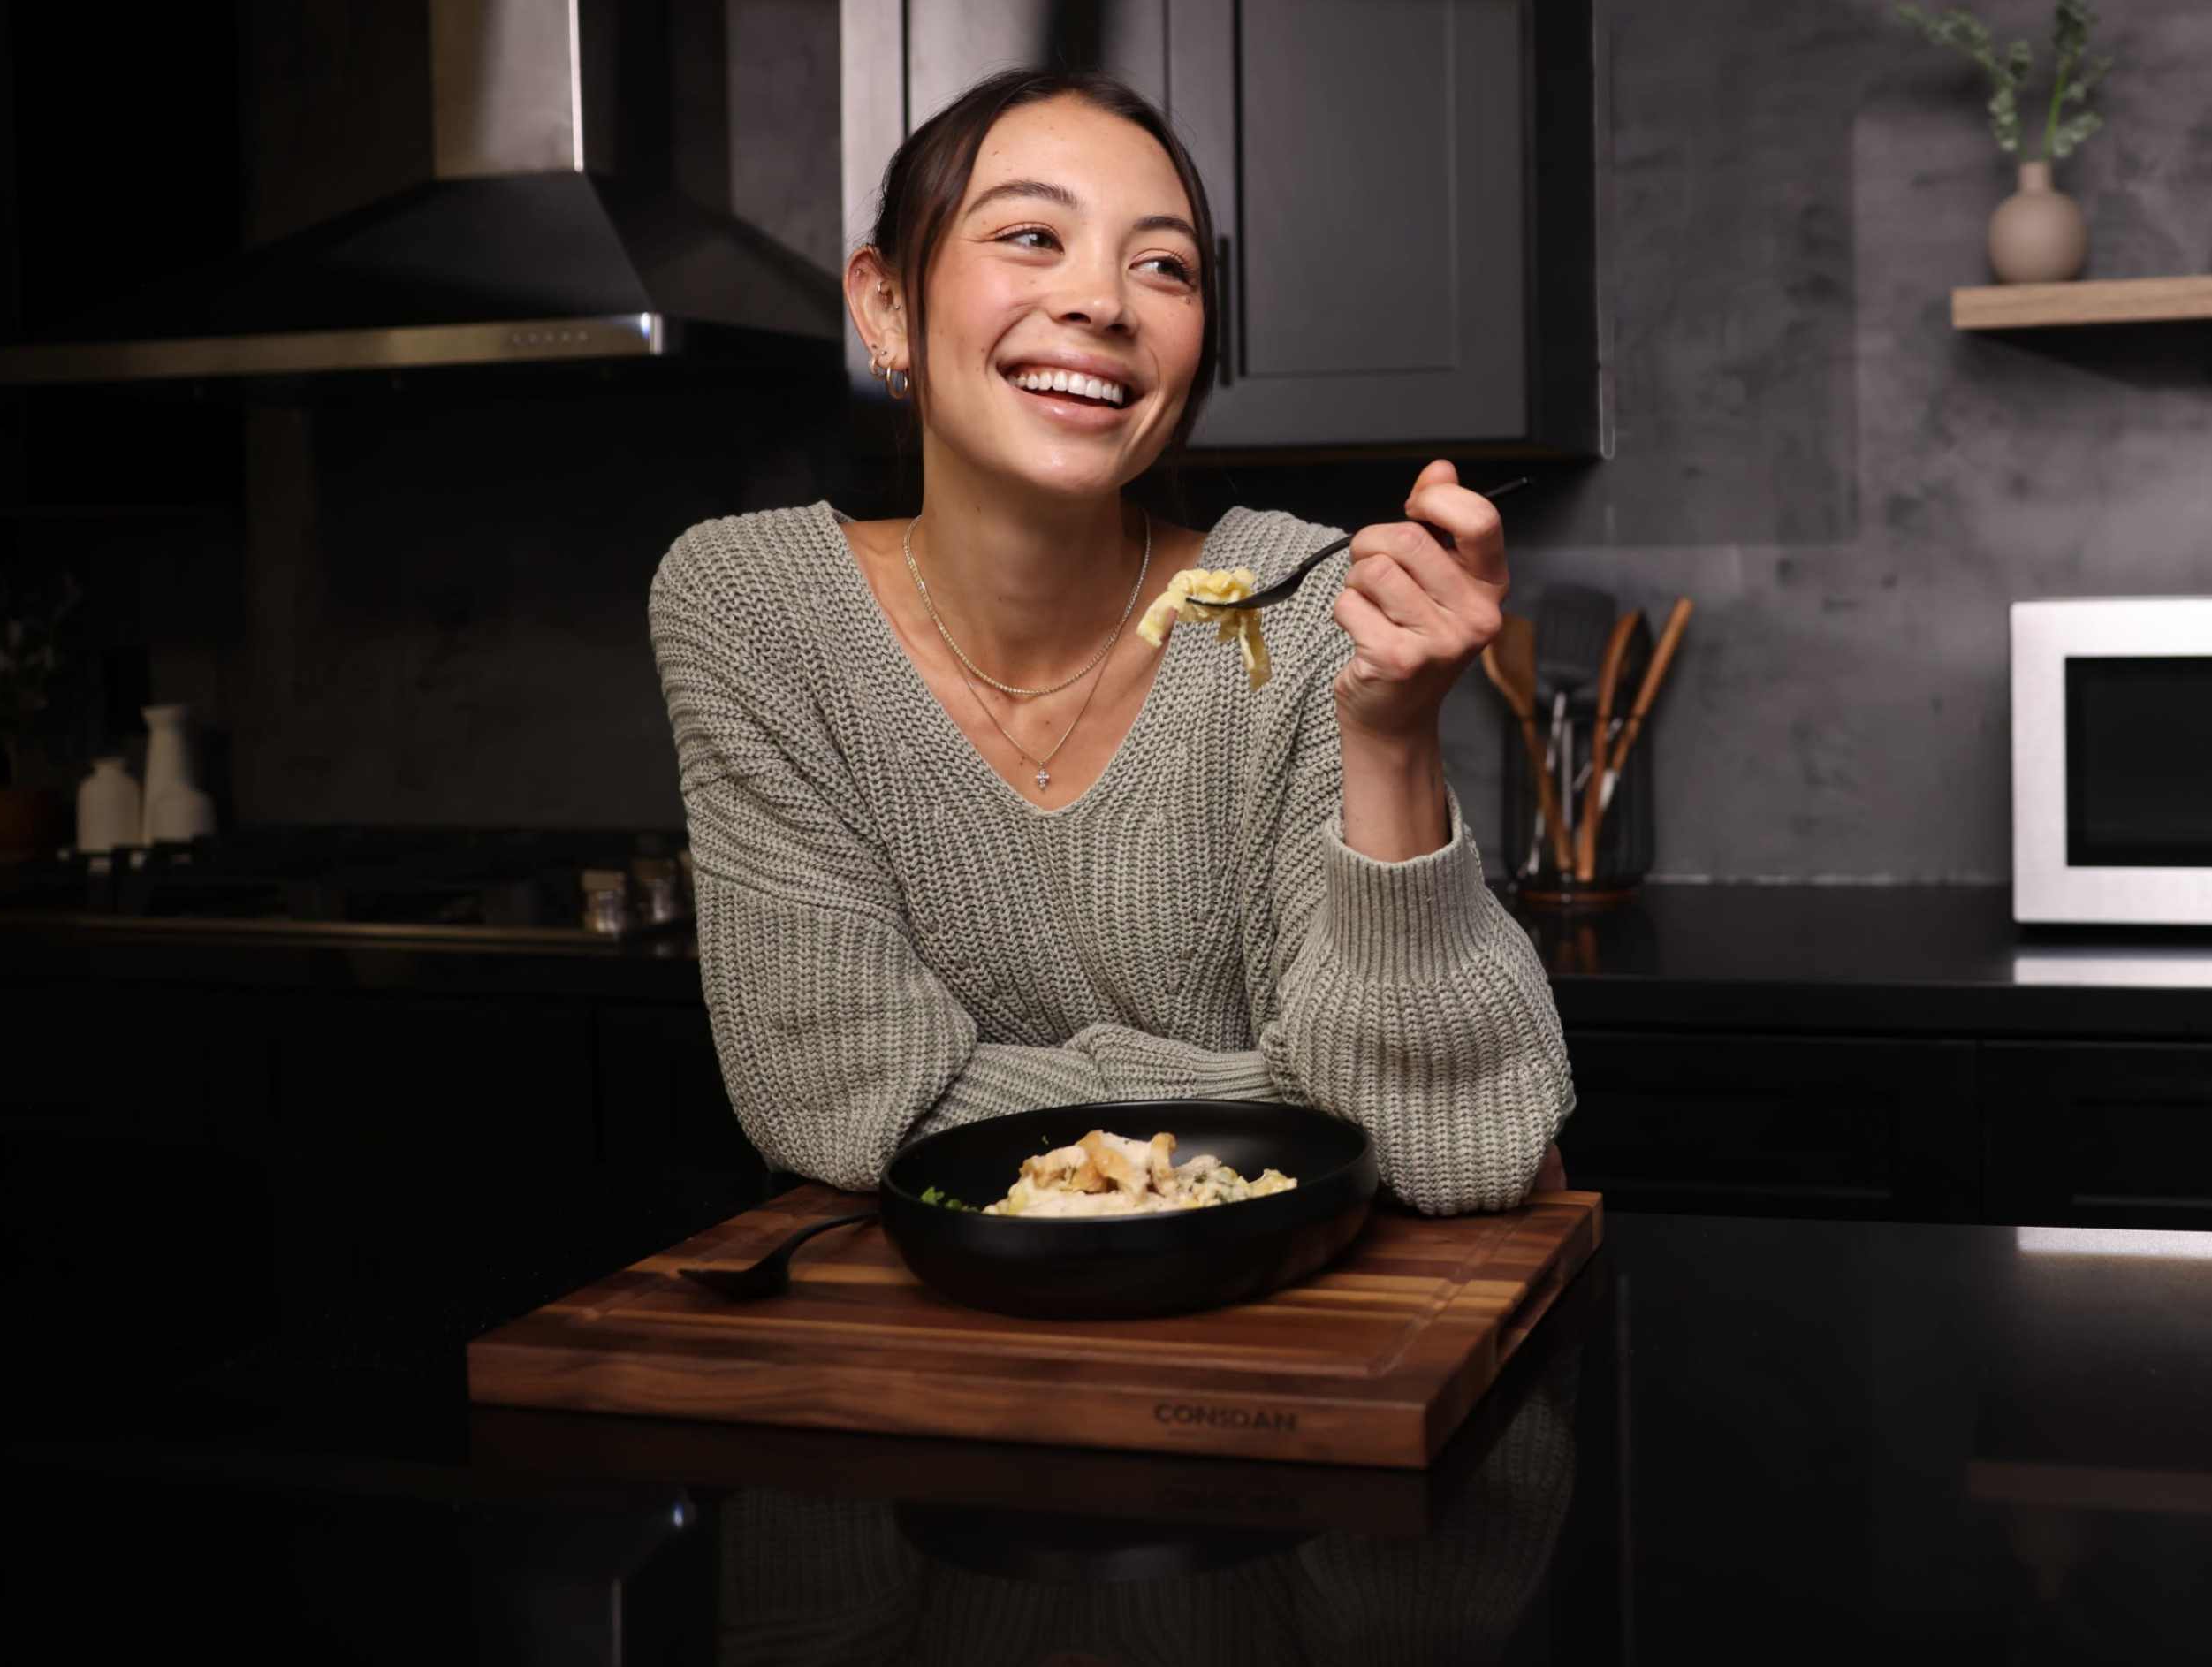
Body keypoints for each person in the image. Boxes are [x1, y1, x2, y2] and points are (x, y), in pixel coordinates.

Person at [645, 67, 1570, 1214]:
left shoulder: (1294, 603)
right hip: (941, 1349)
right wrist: (1280, 1099)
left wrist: (1392, 740)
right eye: (1033, 235)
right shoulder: (752, 603)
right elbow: (833, 1100)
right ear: (886, 306)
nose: (1103, 302)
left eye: (1165, 266)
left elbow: (1449, 1151)